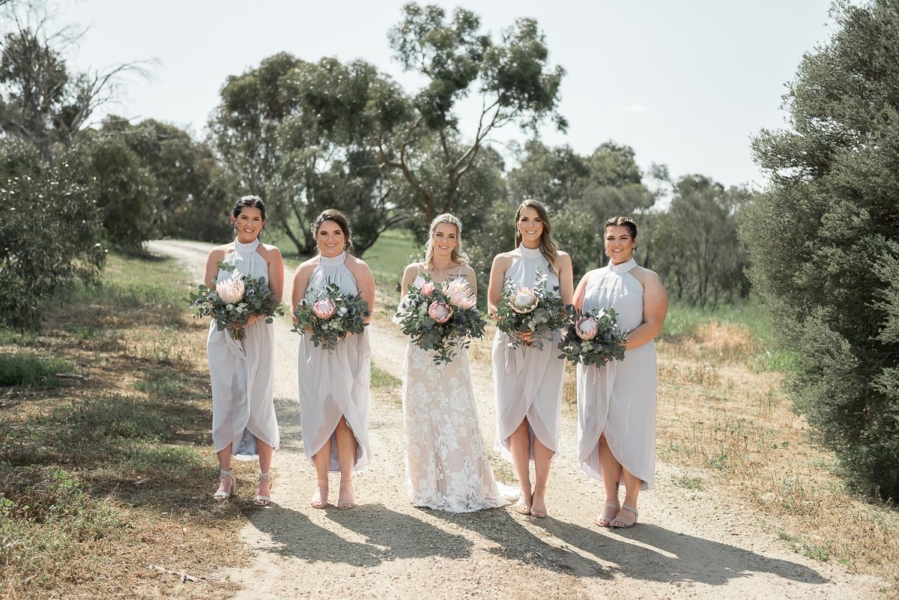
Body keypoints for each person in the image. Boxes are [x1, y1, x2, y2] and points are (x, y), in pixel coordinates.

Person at [398, 214, 507, 512]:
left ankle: (461, 484)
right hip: (420, 353)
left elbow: (471, 316)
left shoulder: (465, 272)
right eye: (440, 235)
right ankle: (425, 487)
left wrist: (449, 325)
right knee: (422, 415)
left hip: (451, 355)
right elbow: (403, 316)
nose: (445, 241)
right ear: (431, 236)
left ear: (457, 240)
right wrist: (423, 323)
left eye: (451, 236)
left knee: (454, 413)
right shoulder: (414, 271)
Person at [573, 216, 668, 528]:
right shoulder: (591, 277)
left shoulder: (646, 278)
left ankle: (631, 504)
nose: (616, 244)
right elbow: (575, 317)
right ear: (604, 242)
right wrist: (586, 341)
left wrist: (614, 346)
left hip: (632, 364)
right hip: (594, 365)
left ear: (634, 242)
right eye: (610, 238)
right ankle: (610, 499)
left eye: (622, 238)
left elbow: (653, 325)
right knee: (602, 428)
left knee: (629, 427)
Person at [487, 199, 573, 518]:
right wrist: (514, 326)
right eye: (525, 219)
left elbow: (567, 306)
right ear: (517, 223)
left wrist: (556, 329)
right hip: (510, 345)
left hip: (548, 348)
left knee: (544, 417)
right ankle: (524, 490)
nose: (531, 225)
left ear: (544, 224)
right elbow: (493, 304)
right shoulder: (503, 260)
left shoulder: (560, 260)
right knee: (517, 417)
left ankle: (541, 493)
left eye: (536, 219)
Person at [291, 209, 375, 510]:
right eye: (324, 233)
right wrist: (319, 328)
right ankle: (321, 484)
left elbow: (366, 313)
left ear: (345, 236)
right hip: (315, 351)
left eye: (336, 233)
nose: (330, 239)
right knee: (321, 414)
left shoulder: (359, 268)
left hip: (348, 350)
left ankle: (347, 485)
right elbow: (297, 315)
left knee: (344, 415)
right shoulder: (305, 270)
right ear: (316, 236)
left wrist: (342, 330)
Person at [205, 195, 284, 506]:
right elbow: (210, 298)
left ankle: (264, 480)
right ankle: (226, 475)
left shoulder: (271, 255)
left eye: (256, 219)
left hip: (258, 335)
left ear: (262, 223)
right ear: (233, 219)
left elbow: (275, 296)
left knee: (259, 400)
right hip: (223, 337)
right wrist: (229, 319)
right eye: (244, 217)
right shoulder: (217, 254)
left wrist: (249, 318)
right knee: (224, 398)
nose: (249, 223)